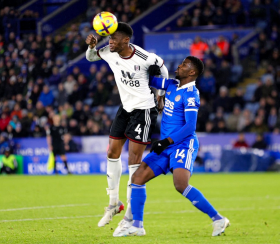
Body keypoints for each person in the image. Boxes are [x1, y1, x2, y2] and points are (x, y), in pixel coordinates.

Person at [114, 56, 230, 237]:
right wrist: (144, 66)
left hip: (183, 144)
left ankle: (218, 219)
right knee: (137, 178)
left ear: (192, 72)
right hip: (166, 145)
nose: (179, 66)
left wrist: (166, 141)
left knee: (180, 184)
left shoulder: (191, 94)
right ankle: (137, 225)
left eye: (184, 65)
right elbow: (149, 80)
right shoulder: (171, 84)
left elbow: (190, 126)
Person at [85, 22, 168, 233]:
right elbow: (91, 57)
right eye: (109, 38)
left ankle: (131, 216)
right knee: (112, 152)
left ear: (126, 41)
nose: (109, 41)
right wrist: (92, 47)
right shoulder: (109, 52)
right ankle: (114, 203)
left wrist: (161, 96)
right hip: (125, 108)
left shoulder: (144, 57)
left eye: (113, 39)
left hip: (144, 111)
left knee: (134, 160)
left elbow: (164, 69)